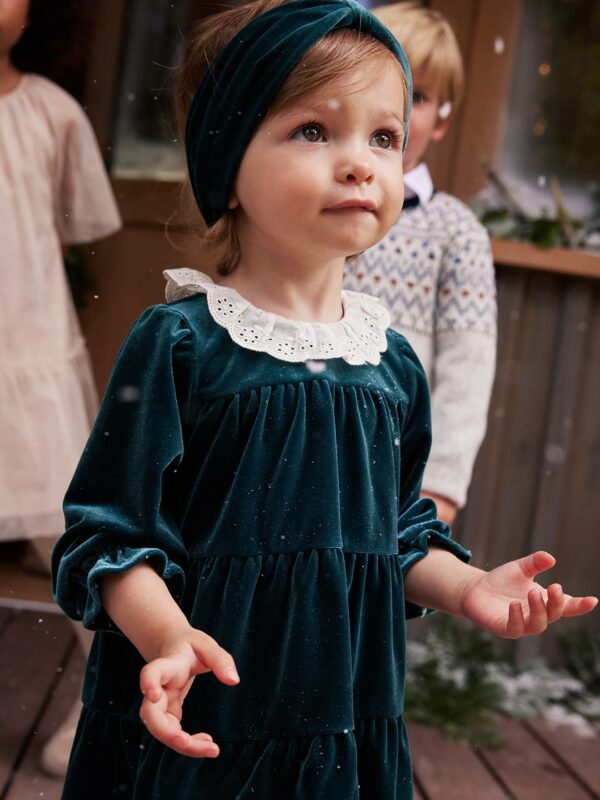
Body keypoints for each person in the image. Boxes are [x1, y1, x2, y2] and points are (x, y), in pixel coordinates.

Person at [52, 1, 597, 798]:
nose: (360, 163)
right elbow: (106, 537)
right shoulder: (184, 345)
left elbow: (398, 532)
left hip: (341, 717)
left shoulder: (391, 365)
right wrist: (168, 636)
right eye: (314, 131)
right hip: (207, 715)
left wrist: (465, 586)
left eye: (383, 137)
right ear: (226, 162)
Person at [0, 0, 122, 778]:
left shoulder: (53, 114)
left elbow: (77, 222)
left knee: (67, 532)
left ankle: (104, 691)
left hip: (28, 342)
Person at [344, 1, 497, 526]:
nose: (403, 110)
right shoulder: (323, 201)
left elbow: (466, 375)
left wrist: (442, 491)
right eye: (386, 89)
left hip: (394, 478)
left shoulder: (454, 232)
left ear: (442, 120)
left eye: (422, 97)